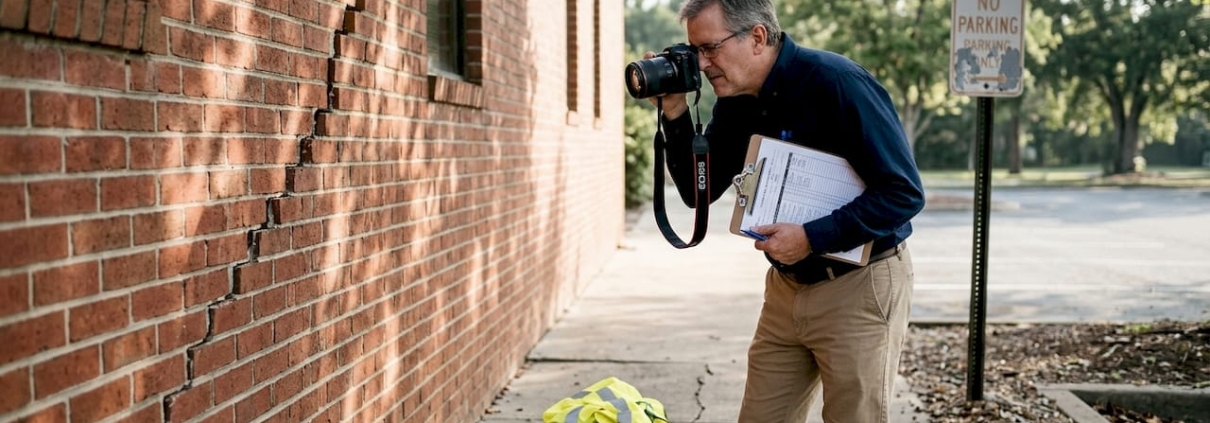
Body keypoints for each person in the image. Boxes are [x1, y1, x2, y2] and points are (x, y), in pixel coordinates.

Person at [646, 0, 926, 421]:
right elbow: (696, 192)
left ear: (757, 37)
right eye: (696, 51)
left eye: (710, 48)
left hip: (859, 286)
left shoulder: (837, 82)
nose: (702, 64)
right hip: (785, 289)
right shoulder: (737, 100)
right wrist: (674, 112)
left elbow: (903, 193)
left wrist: (812, 237)